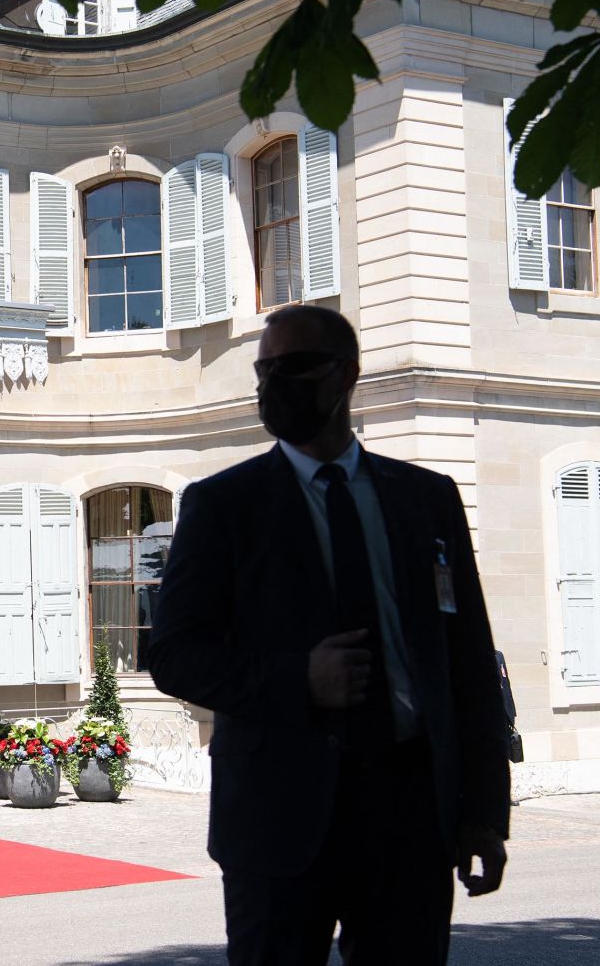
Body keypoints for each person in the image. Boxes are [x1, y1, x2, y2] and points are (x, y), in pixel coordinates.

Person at [148, 305, 511, 966]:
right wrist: (298, 678)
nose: (271, 386)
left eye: (291, 368)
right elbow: (174, 655)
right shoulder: (224, 505)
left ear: (346, 374)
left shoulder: (426, 498)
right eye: (264, 371)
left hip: (408, 814)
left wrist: (484, 809)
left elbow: (468, 663)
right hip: (277, 819)